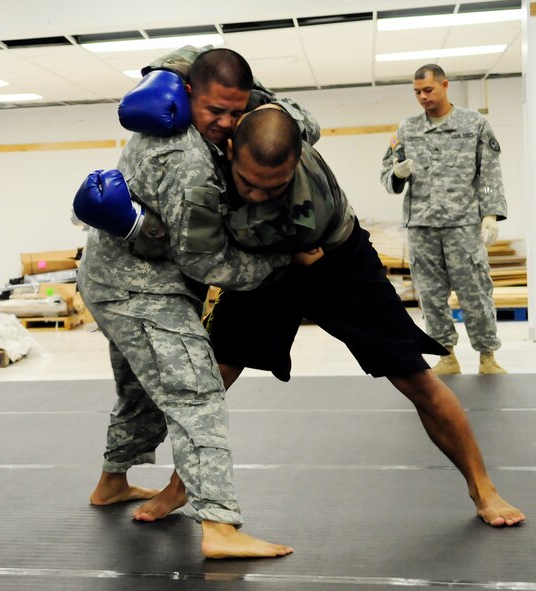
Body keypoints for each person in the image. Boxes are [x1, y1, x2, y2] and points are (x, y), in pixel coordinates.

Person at [84, 107, 524, 528]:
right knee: (208, 379)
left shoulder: (308, 204)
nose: (257, 194)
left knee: (415, 377)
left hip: (334, 263)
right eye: (249, 184)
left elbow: (271, 255)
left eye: (271, 188)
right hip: (269, 264)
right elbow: (223, 83)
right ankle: (183, 486)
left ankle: (482, 487)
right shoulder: (227, 133)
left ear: (296, 162)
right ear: (233, 147)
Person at [76, 48, 321, 558]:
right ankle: (219, 526)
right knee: (196, 391)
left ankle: (112, 482)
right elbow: (205, 265)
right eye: (216, 112)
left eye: (237, 112)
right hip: (140, 289)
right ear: (189, 94)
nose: (227, 124)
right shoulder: (187, 162)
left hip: (107, 278)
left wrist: (277, 112)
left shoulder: (188, 106)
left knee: (143, 392)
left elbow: (197, 59)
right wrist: (280, 262)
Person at [380, 64, 507, 375]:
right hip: (422, 226)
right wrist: (396, 174)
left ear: (444, 85)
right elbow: (386, 175)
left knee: (475, 292)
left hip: (463, 224)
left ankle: (487, 357)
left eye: (428, 90)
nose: (422, 97)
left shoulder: (474, 124)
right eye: (417, 92)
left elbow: (488, 172)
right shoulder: (407, 130)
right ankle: (446, 356)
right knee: (431, 296)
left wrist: (490, 214)